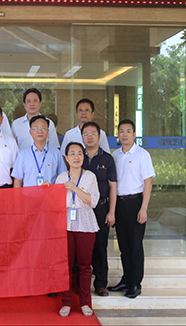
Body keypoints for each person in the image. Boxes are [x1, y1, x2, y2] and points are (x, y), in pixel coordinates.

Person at [107, 119, 154, 299]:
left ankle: (135, 283)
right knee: (124, 246)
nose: (124, 134)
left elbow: (148, 182)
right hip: (119, 204)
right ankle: (126, 280)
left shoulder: (142, 155)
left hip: (136, 202)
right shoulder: (115, 155)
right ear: (118, 135)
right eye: (121, 131)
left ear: (134, 134)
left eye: (128, 131)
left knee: (135, 246)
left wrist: (144, 208)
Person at [55, 142, 99, 318]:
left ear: (83, 157)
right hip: (65, 224)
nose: (76, 157)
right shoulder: (60, 178)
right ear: (66, 158)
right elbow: (54, 202)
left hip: (86, 223)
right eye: (72, 153)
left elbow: (92, 201)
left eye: (79, 153)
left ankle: (84, 302)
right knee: (65, 266)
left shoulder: (90, 177)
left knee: (85, 266)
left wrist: (74, 188)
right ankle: (66, 302)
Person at [81, 121, 117, 297]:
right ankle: (81, 284)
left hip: (101, 208)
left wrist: (111, 212)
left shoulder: (107, 159)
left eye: (93, 134)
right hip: (81, 209)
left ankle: (101, 283)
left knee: (100, 246)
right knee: (81, 246)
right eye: (86, 134)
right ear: (82, 137)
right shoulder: (77, 156)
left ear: (99, 136)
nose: (89, 137)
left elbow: (113, 187)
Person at [12, 115, 66, 188]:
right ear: (30, 132)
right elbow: (18, 180)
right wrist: (17, 195)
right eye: (35, 128)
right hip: (29, 195)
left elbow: (63, 177)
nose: (40, 131)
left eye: (43, 128)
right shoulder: (23, 154)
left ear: (48, 131)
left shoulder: (56, 153)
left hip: (50, 194)